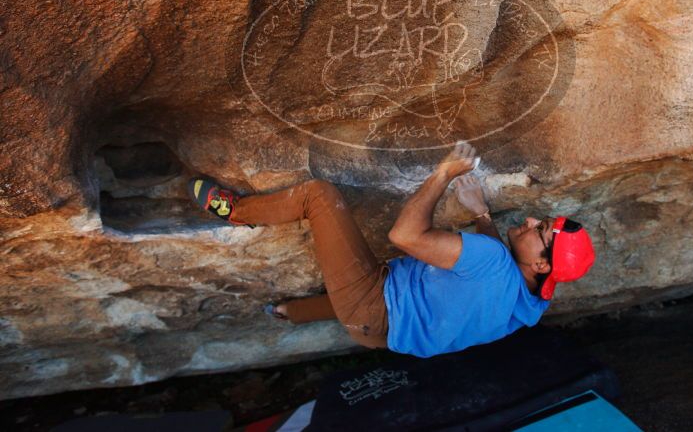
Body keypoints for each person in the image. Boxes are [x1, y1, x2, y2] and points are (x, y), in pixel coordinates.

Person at [187, 142, 595, 357]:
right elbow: (492, 272)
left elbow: (405, 235)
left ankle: (237, 212)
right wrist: (482, 215)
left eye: (538, 229)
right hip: (382, 336)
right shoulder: (531, 304)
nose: (527, 222)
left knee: (320, 196)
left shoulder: (492, 263)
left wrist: (443, 173)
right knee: (354, 297)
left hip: (373, 303)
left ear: (541, 262)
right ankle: (286, 312)